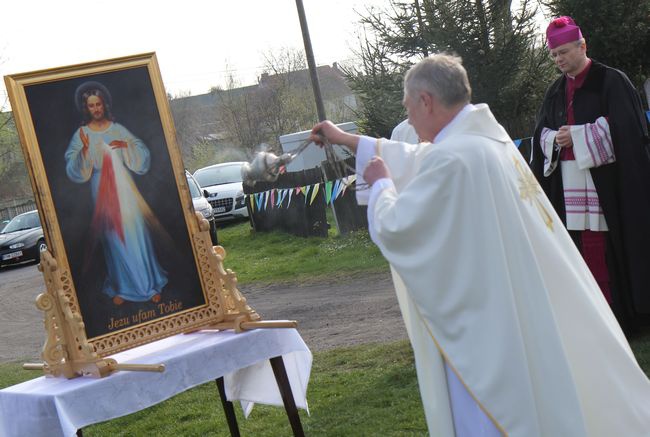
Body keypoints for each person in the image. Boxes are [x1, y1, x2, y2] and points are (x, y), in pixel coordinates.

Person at [311, 54, 650, 436]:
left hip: (487, 323)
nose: (408, 120)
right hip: (517, 296)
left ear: (426, 101)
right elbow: (416, 158)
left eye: (408, 108)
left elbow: (399, 228)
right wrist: (343, 138)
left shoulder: (455, 157)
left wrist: (382, 186)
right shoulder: (485, 140)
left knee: (490, 414)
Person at [531, 16, 650, 334]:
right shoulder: (555, 91)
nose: (559, 60)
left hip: (609, 188)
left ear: (583, 46)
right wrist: (554, 138)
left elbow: (630, 129)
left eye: (565, 52)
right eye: (554, 55)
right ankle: (593, 319)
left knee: (609, 247)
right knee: (580, 248)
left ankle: (623, 316)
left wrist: (580, 136)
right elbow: (540, 131)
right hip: (569, 184)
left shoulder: (611, 81)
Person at [65, 81, 167, 305]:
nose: (96, 109)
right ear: (86, 108)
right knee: (112, 236)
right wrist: (84, 149)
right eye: (91, 105)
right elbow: (72, 166)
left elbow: (141, 152)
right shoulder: (82, 134)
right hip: (101, 188)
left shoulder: (117, 128)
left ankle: (148, 285)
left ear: (104, 104)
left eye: (99, 104)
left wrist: (126, 146)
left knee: (135, 232)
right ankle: (122, 286)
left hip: (124, 188)